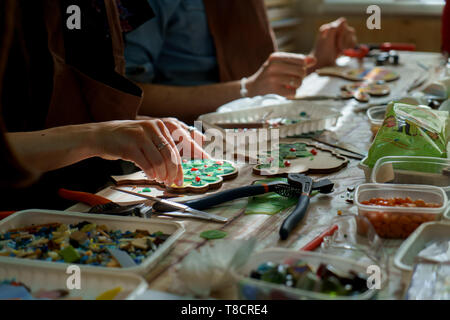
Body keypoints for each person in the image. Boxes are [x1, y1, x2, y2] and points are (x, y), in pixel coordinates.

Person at [0, 0, 206, 210]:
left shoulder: (91, 8)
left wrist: (137, 128)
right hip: (18, 208)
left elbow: (73, 100)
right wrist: (96, 136)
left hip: (84, 194)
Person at [124, 0, 357, 123]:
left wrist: (315, 63)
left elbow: (263, 78)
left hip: (260, 127)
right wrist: (247, 89)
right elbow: (128, 98)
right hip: (191, 145)